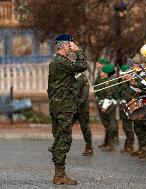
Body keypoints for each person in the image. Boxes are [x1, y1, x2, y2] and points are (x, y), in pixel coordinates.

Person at [48, 34, 87, 185]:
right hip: (63, 107)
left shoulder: (57, 61)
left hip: (59, 106)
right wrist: (79, 51)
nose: (72, 46)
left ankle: (59, 172)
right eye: (70, 44)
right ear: (64, 46)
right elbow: (82, 66)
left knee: (60, 138)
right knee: (64, 138)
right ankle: (59, 175)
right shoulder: (60, 61)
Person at [74, 73, 93, 156]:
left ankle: (89, 147)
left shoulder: (84, 79)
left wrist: (75, 104)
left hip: (82, 109)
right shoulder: (70, 77)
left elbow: (84, 96)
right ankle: (58, 147)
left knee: (85, 128)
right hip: (71, 108)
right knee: (65, 126)